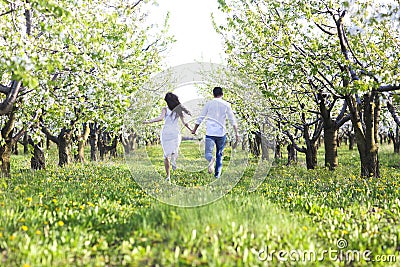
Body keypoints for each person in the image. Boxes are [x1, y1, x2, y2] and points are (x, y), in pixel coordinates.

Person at [143, 92, 192, 182]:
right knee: (175, 150)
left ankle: (168, 176)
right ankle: (174, 159)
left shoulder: (165, 109)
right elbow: (185, 122)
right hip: (175, 132)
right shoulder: (179, 110)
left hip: (166, 133)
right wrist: (191, 130)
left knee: (166, 156)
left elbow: (160, 118)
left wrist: (149, 121)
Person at [191, 87, 238, 178]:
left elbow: (201, 117)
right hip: (221, 133)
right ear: (222, 94)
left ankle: (211, 160)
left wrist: (195, 129)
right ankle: (217, 175)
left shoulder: (209, 104)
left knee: (208, 153)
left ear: (213, 94)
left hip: (210, 133)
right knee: (219, 154)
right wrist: (236, 133)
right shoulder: (226, 104)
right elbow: (232, 120)